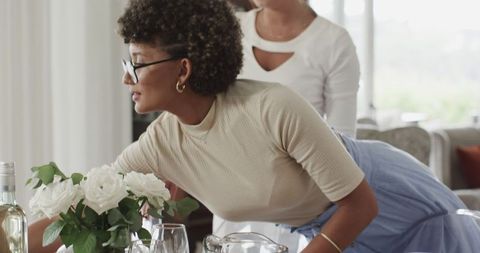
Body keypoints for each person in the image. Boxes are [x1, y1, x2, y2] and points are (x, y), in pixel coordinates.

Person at [30, 0, 480, 252]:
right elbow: (85, 210)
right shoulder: (162, 141)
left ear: (183, 69)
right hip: (328, 230)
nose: (127, 77)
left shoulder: (272, 108)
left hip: (399, 205)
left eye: (139, 63)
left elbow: (360, 206)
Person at [214, 1, 361, 249]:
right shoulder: (230, 28)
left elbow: (343, 142)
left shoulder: (334, 42)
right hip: (232, 194)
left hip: (297, 205)